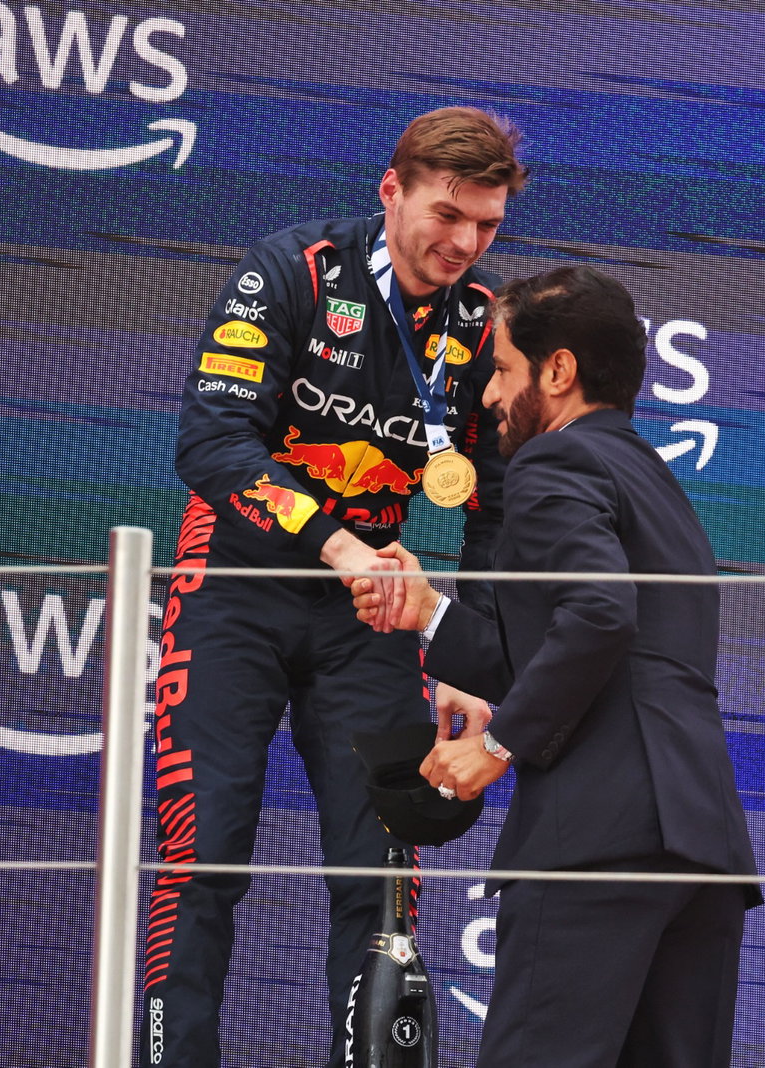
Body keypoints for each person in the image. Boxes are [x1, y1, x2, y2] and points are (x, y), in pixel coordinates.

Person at [140, 106, 528, 1067]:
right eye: (447, 215)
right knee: (205, 851)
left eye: (486, 225)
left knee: (385, 871)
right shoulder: (291, 271)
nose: (464, 244)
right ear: (391, 191)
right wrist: (343, 548)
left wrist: (471, 664)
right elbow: (211, 444)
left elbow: (498, 507)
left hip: (374, 614)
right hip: (235, 583)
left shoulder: (483, 322)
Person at [351, 265, 759, 1067]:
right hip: (701, 847)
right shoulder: (655, 482)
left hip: (595, 842)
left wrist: (497, 747)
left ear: (559, 370)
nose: (492, 396)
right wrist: (427, 610)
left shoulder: (551, 464)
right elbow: (573, 647)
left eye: (502, 369)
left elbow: (603, 615)